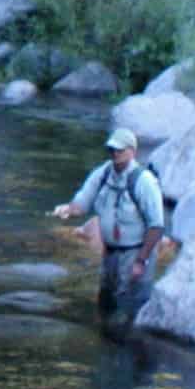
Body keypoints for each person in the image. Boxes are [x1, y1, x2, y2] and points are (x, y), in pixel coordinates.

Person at [51, 125, 170, 329]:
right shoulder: (104, 173)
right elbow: (84, 200)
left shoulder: (144, 181)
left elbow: (157, 226)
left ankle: (132, 349)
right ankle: (107, 344)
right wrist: (69, 209)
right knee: (106, 302)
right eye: (112, 149)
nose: (114, 153)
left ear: (132, 152)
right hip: (111, 253)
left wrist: (141, 261)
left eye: (119, 150)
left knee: (132, 308)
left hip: (136, 252)